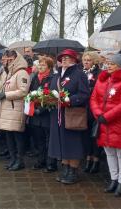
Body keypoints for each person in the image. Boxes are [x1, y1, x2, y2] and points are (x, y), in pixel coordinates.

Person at [90, 54, 121, 197]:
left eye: (112, 64)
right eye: (108, 63)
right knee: (109, 152)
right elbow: (94, 98)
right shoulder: (102, 80)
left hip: (119, 123)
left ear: (120, 66)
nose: (108, 66)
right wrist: (98, 114)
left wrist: (107, 116)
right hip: (103, 122)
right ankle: (113, 179)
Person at [48, 49, 90, 184]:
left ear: (74, 59)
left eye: (67, 58)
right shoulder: (57, 75)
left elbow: (84, 94)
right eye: (62, 58)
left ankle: (73, 171)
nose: (64, 60)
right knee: (62, 142)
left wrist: (69, 100)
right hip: (58, 114)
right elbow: (51, 90)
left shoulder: (79, 74)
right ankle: (65, 168)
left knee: (72, 143)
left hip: (72, 114)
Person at [0, 50, 30, 171]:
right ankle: (13, 158)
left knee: (17, 136)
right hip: (6, 108)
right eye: (5, 59)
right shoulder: (7, 72)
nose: (7, 61)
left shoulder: (22, 73)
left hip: (15, 108)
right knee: (9, 135)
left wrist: (6, 95)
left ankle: (20, 160)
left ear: (16, 59)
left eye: (9, 59)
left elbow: (23, 91)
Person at [27, 57, 57, 172]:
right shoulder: (34, 78)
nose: (40, 67)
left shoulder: (52, 78)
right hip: (35, 113)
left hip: (47, 114)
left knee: (49, 140)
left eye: (43, 65)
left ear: (49, 67)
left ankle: (51, 163)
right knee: (38, 139)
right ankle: (41, 160)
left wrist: (42, 109)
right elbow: (30, 94)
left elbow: (53, 95)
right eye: (39, 64)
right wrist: (32, 108)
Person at [81, 51, 102, 174]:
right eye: (84, 60)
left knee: (95, 136)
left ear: (94, 61)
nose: (86, 62)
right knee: (86, 135)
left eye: (89, 60)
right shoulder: (81, 72)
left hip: (94, 108)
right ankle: (88, 158)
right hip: (83, 108)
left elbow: (99, 89)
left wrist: (88, 90)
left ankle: (96, 160)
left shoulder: (99, 73)